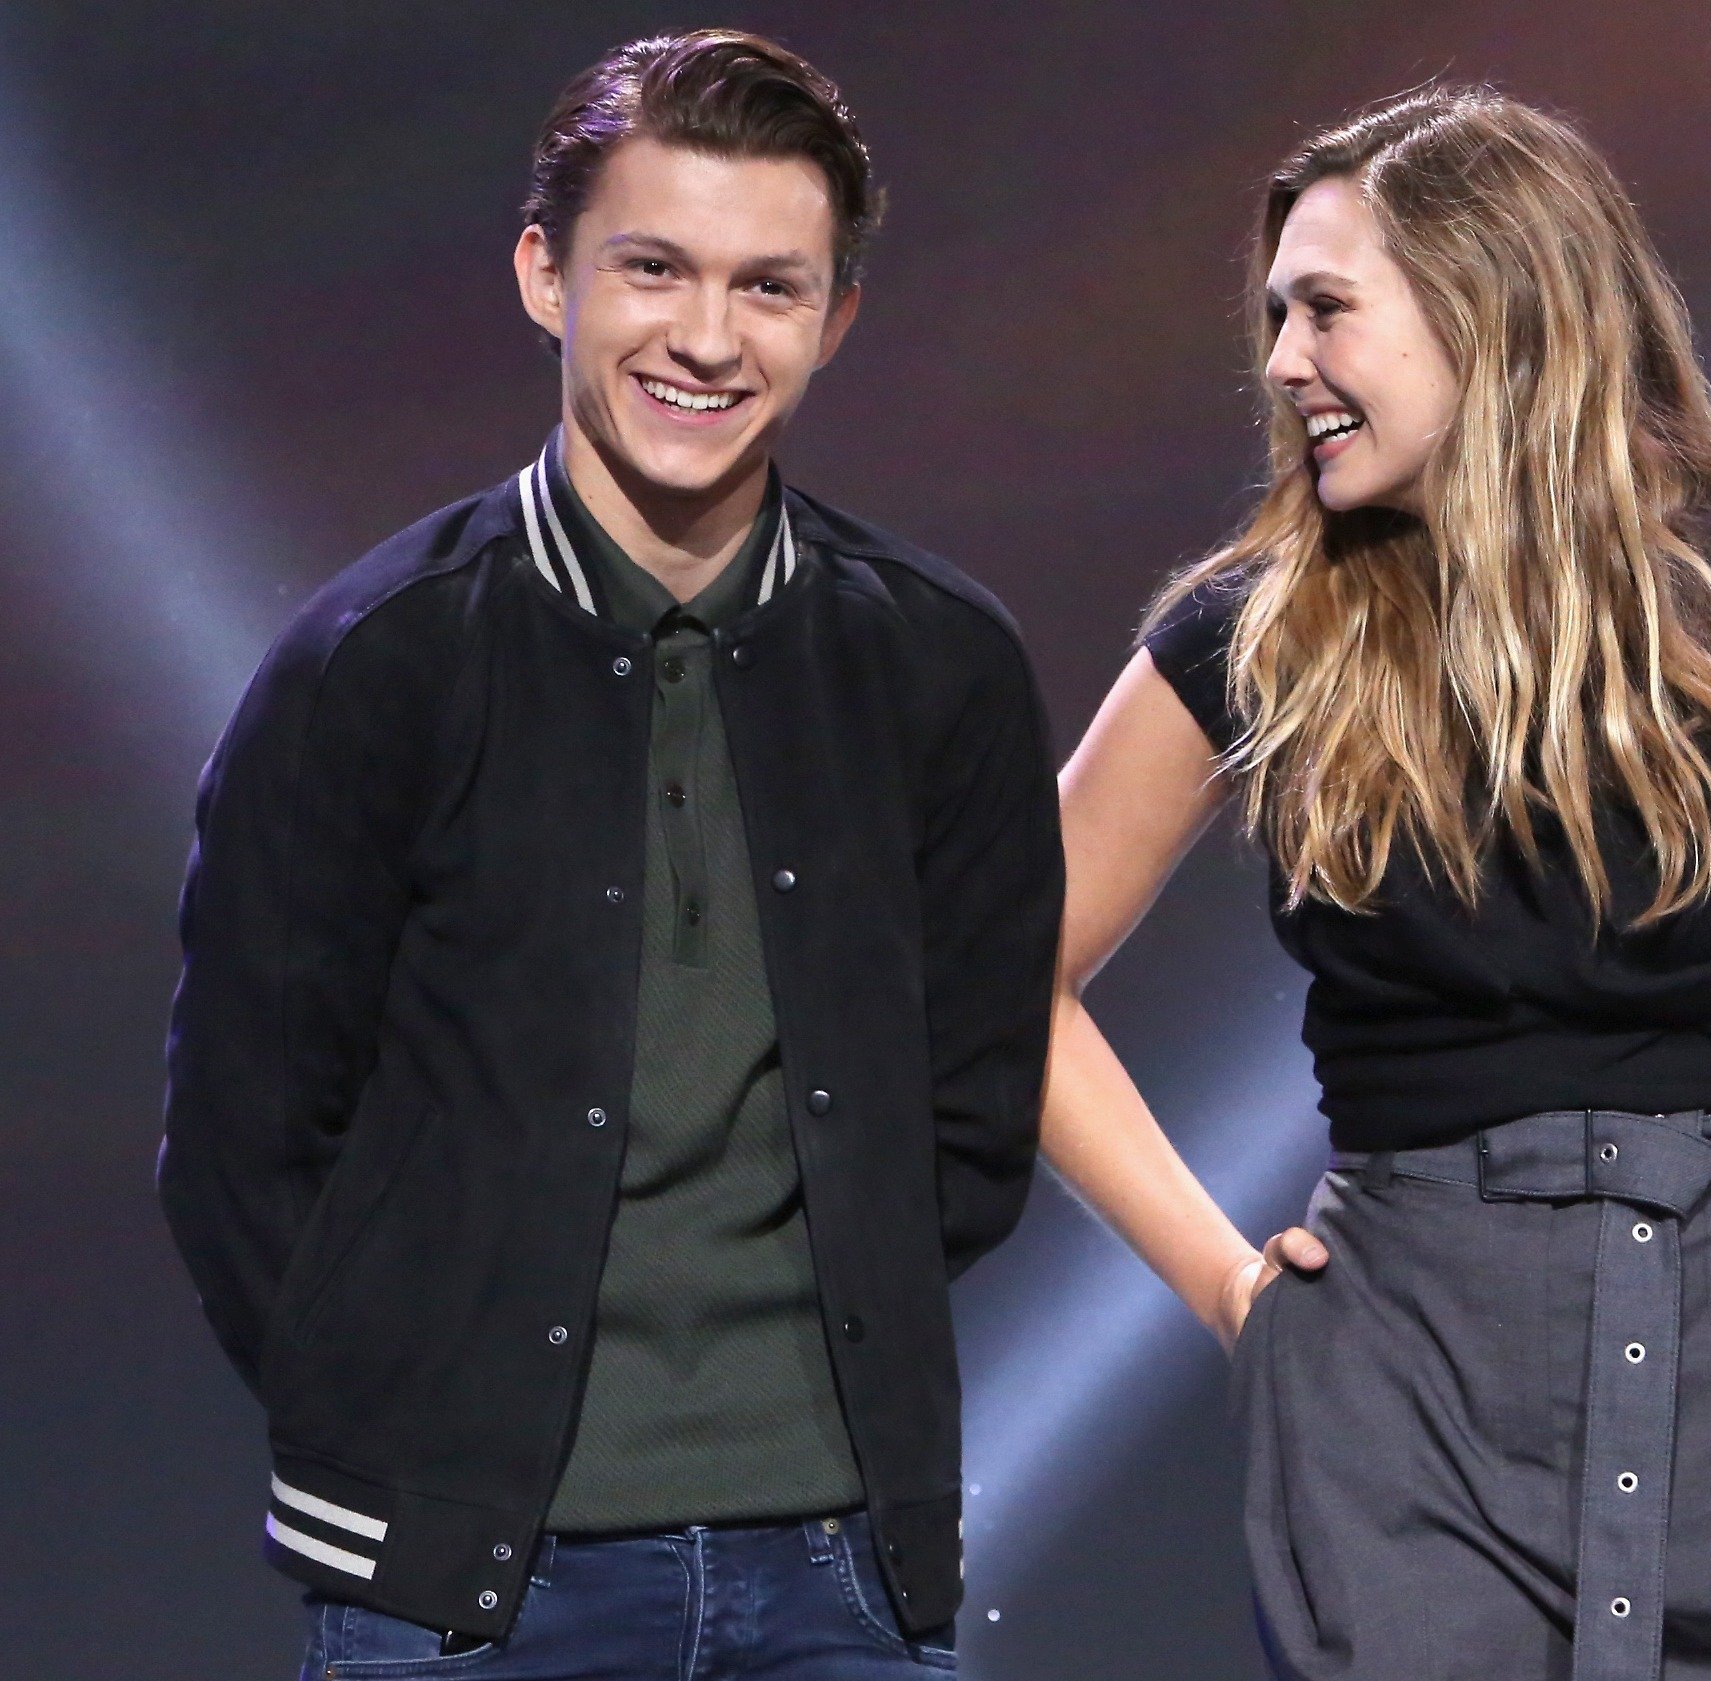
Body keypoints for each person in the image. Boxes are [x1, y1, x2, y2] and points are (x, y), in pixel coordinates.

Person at [1044, 87, 1711, 1681]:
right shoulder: (1260, 633)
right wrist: (1234, 1297)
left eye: (1327, 309)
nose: (1282, 361)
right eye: (1276, 314)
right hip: (1406, 1412)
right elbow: (998, 972)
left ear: (1494, 312)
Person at [158, 29, 1062, 1678]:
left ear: (836, 317)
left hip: (846, 1574)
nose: (705, 338)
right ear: (541, 273)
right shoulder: (376, 661)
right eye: (652, 268)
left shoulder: (939, 663)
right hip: (466, 1591)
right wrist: (411, 1428)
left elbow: (972, 1111)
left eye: (769, 286)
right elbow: (242, 1139)